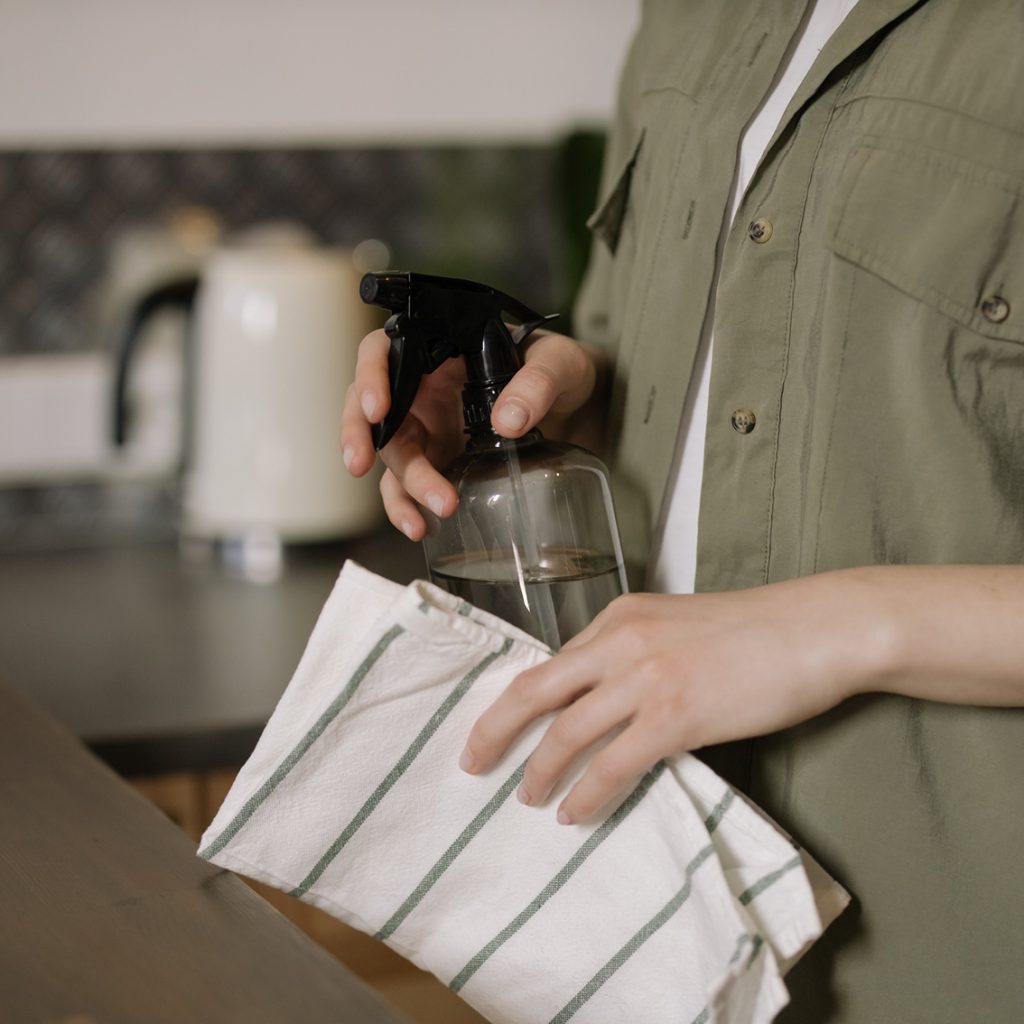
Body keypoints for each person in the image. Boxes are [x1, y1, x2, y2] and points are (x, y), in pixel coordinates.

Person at [341, 1, 1024, 1020]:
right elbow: (674, 366)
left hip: (953, 955)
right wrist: (541, 383)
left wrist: (836, 628)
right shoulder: (688, 17)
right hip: (657, 927)